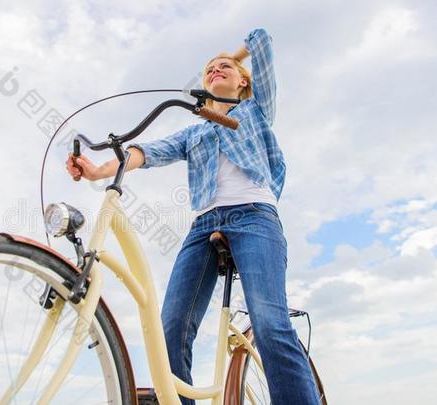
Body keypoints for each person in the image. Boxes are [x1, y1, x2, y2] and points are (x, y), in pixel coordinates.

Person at [66, 28, 320, 405]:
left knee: (269, 323)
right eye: (208, 70)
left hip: (255, 218)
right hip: (204, 227)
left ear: (243, 81)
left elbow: (262, 40)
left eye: (225, 68)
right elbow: (149, 151)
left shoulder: (256, 111)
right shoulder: (194, 132)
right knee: (168, 329)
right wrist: (99, 170)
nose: (215, 70)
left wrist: (232, 56)